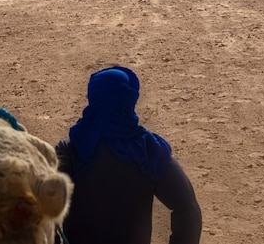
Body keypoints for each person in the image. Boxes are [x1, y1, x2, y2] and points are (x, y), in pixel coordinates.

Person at [55, 66, 202, 244]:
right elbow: (188, 209)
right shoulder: (149, 151)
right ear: (130, 99)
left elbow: (40, 210)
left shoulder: (72, 151)